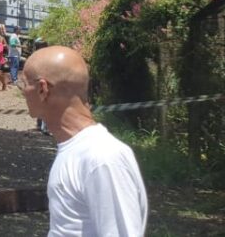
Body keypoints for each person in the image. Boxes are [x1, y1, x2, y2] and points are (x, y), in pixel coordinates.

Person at [19, 46, 148, 236]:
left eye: (23, 84)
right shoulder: (77, 151)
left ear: (42, 89)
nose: (22, 91)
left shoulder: (101, 158)